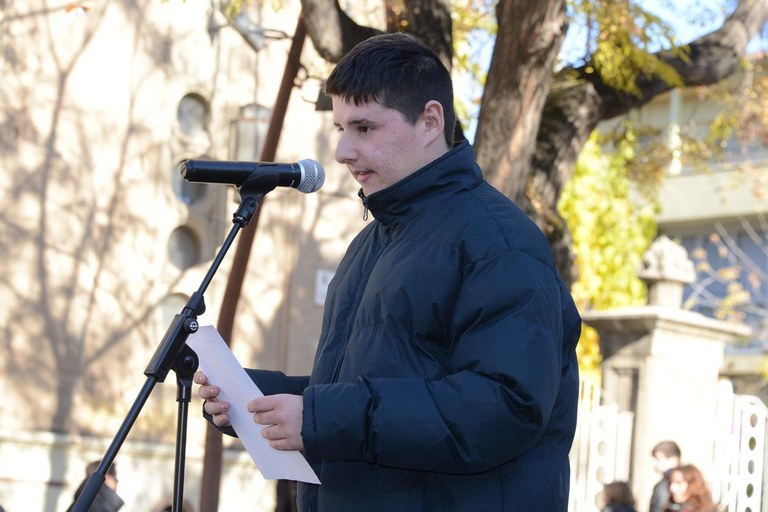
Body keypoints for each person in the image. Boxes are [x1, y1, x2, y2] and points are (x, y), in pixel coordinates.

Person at [195, 31, 581, 511]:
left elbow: (504, 408)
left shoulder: (498, 243)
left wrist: (319, 416)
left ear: (429, 121)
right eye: (340, 129)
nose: (342, 152)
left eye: (364, 128)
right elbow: (359, 396)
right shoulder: (371, 245)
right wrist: (259, 400)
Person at [650, 440, 682, 512]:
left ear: (673, 460)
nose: (655, 463)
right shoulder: (662, 484)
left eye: (658, 459)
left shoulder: (665, 485)